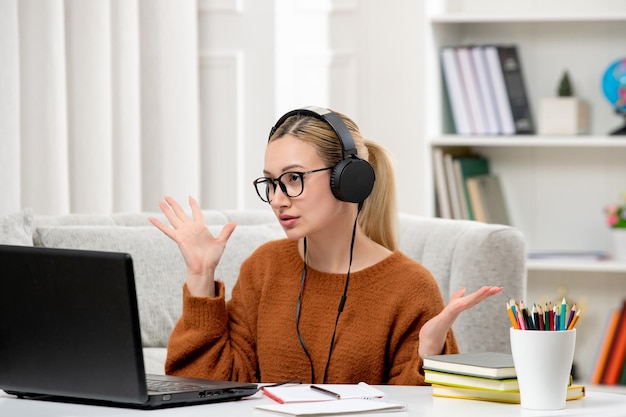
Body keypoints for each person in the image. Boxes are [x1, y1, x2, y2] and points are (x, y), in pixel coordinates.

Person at [149, 106, 502, 385]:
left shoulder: (410, 287)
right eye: (271, 183)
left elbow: (421, 409)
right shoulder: (264, 267)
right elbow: (207, 388)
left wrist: (430, 353)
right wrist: (200, 275)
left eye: (293, 179)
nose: (277, 199)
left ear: (348, 180)